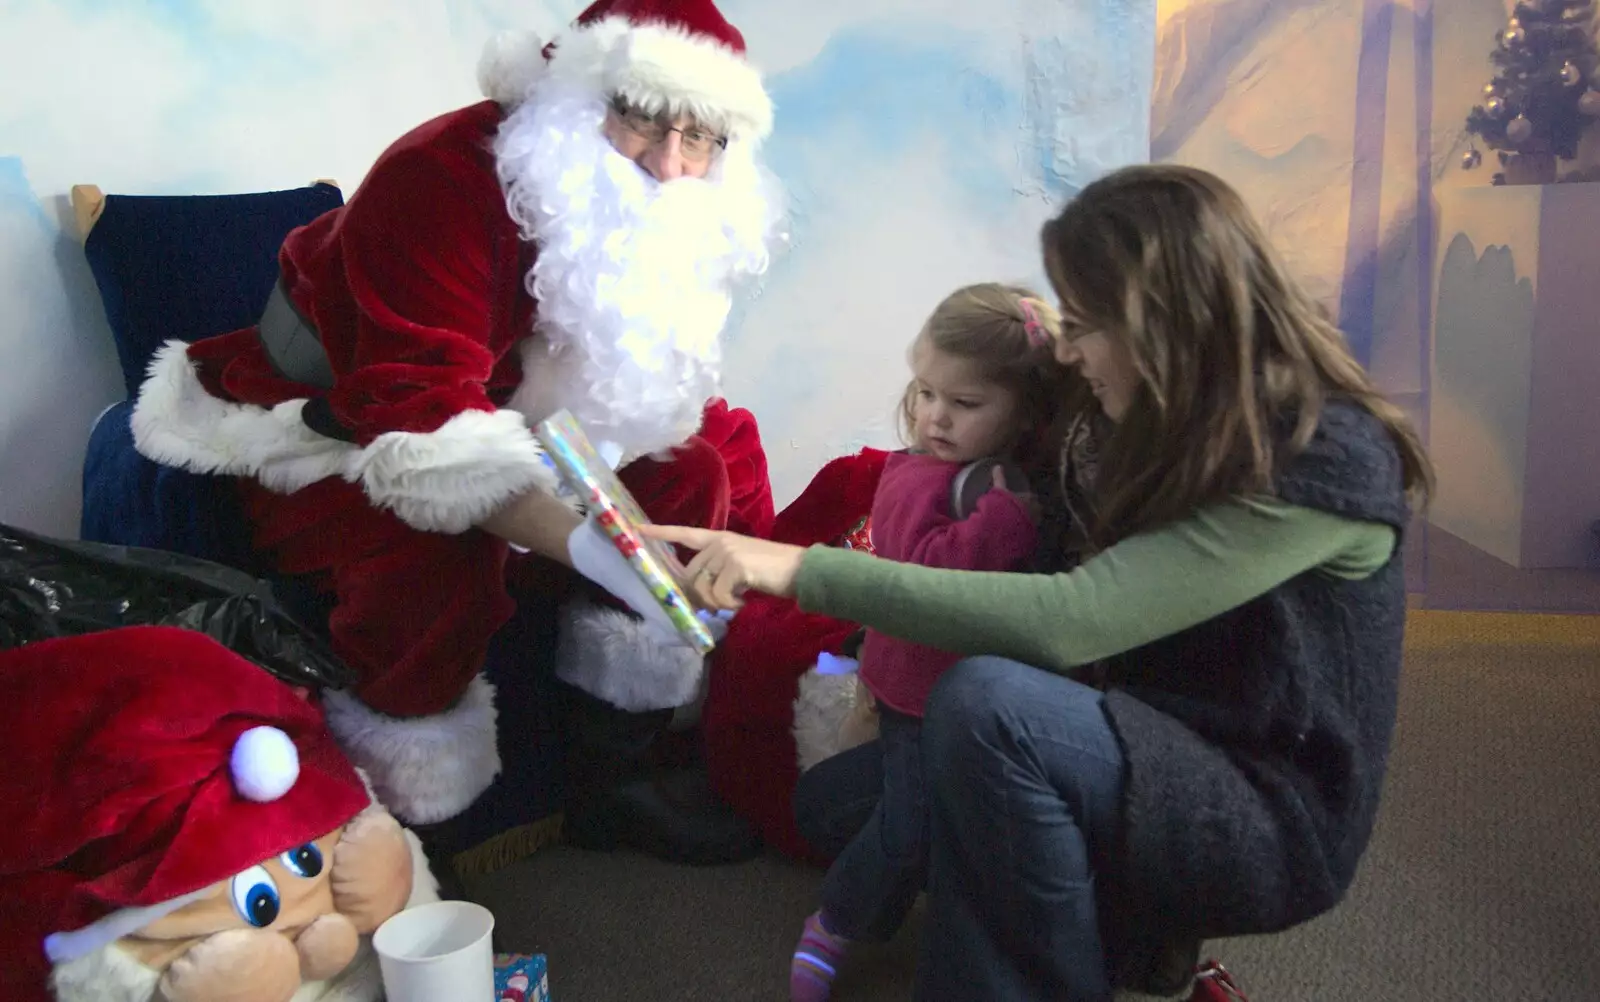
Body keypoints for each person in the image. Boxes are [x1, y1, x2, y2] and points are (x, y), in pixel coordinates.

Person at [649, 163, 1433, 1000]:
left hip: (1261, 806)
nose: (1068, 348)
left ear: (1159, 326)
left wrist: (800, 568)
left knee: (989, 712)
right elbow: (1017, 397)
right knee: (840, 807)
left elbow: (1070, 619)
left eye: (1086, 324)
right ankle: (1100, 936)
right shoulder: (1140, 418)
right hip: (1140, 729)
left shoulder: (1322, 457)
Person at [126, 0, 786, 871]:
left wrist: (637, 530)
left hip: (510, 413)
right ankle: (410, 841)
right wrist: (609, 553)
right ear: (577, 94)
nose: (669, 166)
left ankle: (610, 782)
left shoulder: (668, 209)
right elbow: (423, 435)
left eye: (699, 140)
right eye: (641, 119)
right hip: (325, 423)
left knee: (689, 474)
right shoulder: (439, 175)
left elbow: (620, 405)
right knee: (429, 555)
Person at [786, 283, 1068, 1002]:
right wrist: (1003, 523)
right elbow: (920, 579)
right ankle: (836, 922)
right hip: (918, 689)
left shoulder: (1010, 476)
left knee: (930, 811)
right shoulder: (916, 476)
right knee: (907, 829)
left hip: (969, 688)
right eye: (926, 392)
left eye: (965, 404)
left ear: (1026, 409)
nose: (935, 416)